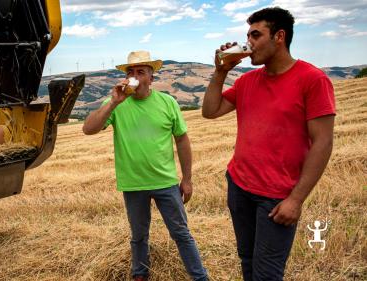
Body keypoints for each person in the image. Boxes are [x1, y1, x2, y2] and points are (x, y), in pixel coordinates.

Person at [202, 7, 335, 281]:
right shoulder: (247, 80)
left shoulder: (312, 80)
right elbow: (210, 111)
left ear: (279, 36)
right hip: (239, 187)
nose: (248, 42)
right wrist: (220, 71)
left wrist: (296, 200)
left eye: (255, 34)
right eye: (247, 35)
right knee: (248, 262)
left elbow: (323, 142)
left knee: (267, 274)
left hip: (277, 198)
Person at [83, 50, 209, 281]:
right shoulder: (117, 103)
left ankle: (200, 277)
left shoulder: (167, 102)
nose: (135, 76)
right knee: (138, 236)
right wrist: (112, 103)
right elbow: (88, 129)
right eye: (131, 71)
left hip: (166, 182)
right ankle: (140, 274)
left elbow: (182, 139)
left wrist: (187, 178)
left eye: (141, 71)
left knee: (181, 233)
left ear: (152, 78)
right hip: (133, 184)